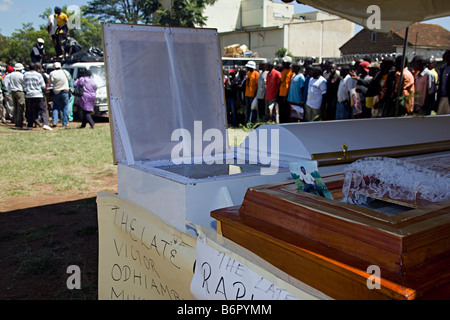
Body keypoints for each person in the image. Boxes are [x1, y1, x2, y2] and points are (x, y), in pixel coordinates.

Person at [23, 63, 52, 131]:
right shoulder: (38, 75)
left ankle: (30, 125)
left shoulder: (25, 75)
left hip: (29, 95)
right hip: (38, 94)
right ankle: (45, 124)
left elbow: (23, 85)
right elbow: (42, 85)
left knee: (30, 110)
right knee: (43, 109)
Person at [49, 62, 71, 128]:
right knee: (65, 107)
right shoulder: (65, 72)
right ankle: (65, 123)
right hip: (65, 91)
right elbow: (69, 79)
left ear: (54, 67)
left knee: (55, 106)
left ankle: (54, 121)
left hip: (56, 91)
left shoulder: (52, 73)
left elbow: (50, 81)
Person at [9, 63, 26, 128]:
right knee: (21, 107)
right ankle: (19, 122)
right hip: (20, 91)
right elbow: (23, 83)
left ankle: (16, 121)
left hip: (13, 91)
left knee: (15, 107)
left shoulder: (11, 75)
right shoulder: (21, 75)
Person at [278, 56, 294, 123]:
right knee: (281, 112)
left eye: (284, 62)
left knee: (286, 113)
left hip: (287, 96)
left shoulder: (292, 72)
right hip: (281, 94)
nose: (282, 64)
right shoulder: (283, 71)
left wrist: (287, 96)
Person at [436, 49, 450, 115]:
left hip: (448, 98)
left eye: (446, 54)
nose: (443, 55)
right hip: (442, 97)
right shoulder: (443, 68)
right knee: (439, 117)